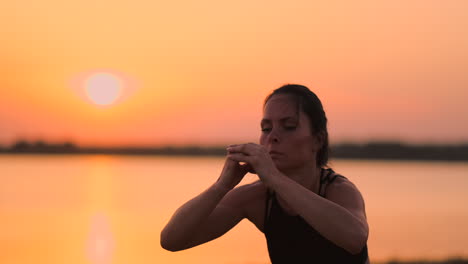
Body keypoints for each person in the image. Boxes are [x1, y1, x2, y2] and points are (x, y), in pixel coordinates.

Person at [160, 84, 370, 263]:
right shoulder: (259, 198)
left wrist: (275, 178)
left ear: (318, 140)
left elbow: (355, 239)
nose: (273, 137)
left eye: (289, 126)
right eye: (266, 128)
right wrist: (221, 186)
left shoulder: (338, 190)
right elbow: (172, 240)